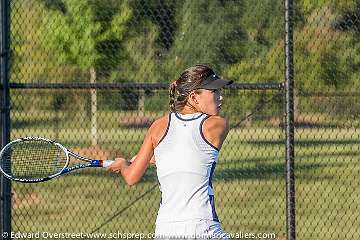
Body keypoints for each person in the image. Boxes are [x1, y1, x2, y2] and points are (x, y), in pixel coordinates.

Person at [108, 64, 233, 239]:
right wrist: (157, 159)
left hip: (165, 230)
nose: (221, 98)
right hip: (202, 228)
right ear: (194, 97)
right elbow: (189, 150)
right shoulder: (218, 125)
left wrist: (123, 165)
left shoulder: (157, 127)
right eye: (214, 92)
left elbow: (131, 177)